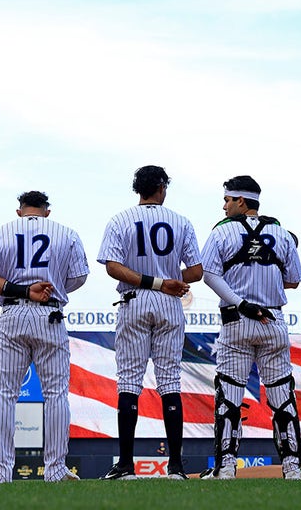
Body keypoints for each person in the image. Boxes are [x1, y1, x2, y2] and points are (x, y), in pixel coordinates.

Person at [0, 191, 89, 483]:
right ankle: (55, 469)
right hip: (49, 314)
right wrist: (52, 288)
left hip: (12, 313)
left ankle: (0, 471)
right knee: (56, 394)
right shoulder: (66, 233)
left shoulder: (0, 233)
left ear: (19, 211)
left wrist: (22, 289)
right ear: (47, 211)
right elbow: (78, 277)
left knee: (4, 395)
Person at [198, 175, 301, 480]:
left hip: (238, 321)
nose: (224, 206)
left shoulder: (222, 232)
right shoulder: (282, 232)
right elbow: (294, 279)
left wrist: (239, 299)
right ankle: (292, 468)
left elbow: (208, 274)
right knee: (282, 396)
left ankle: (226, 467)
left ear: (241, 201)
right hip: (273, 320)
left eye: (227, 200)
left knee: (229, 395)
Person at [97, 165, 202, 481]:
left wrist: (156, 282)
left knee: (129, 381)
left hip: (135, 299)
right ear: (161, 187)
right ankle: (176, 468)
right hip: (169, 303)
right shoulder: (180, 221)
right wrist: (168, 281)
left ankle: (126, 465)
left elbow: (113, 267)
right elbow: (195, 271)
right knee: (170, 381)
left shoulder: (120, 220)